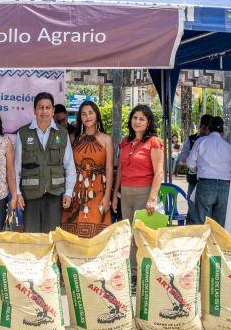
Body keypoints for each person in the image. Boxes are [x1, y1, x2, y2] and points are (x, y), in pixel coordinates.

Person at [112, 104, 164, 278]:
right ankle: (131, 273)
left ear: (148, 122)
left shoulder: (154, 142)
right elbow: (120, 170)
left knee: (140, 236)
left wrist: (152, 198)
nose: (137, 121)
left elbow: (159, 172)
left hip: (144, 193)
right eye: (135, 117)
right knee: (128, 235)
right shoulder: (125, 142)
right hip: (125, 194)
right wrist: (114, 196)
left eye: (142, 118)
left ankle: (140, 275)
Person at [15, 92, 76, 234]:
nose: (44, 111)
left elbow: (69, 166)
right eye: (41, 107)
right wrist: (17, 193)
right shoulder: (23, 133)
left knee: (52, 237)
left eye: (48, 107)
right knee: (32, 237)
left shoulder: (62, 133)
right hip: (30, 196)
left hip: (55, 195)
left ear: (53, 110)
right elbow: (16, 167)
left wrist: (68, 193)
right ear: (34, 111)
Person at [62, 101, 113, 238]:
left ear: (97, 115)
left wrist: (107, 196)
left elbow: (109, 170)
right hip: (75, 189)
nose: (87, 117)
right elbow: (69, 166)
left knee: (96, 230)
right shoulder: (75, 138)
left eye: (90, 113)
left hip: (98, 190)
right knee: (73, 229)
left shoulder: (106, 140)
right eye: (83, 114)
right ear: (80, 118)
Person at [187, 116, 231, 226]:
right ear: (223, 131)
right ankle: (215, 243)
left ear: (209, 129)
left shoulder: (201, 141)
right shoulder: (229, 147)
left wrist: (197, 169)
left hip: (206, 184)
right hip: (224, 187)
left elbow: (190, 163)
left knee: (202, 223)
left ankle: (203, 243)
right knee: (219, 226)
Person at [177, 114, 212, 198]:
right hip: (194, 179)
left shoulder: (214, 141)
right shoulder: (191, 139)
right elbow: (183, 158)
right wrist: (193, 159)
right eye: (204, 128)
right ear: (201, 126)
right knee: (192, 206)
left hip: (209, 181)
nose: (206, 131)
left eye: (208, 129)